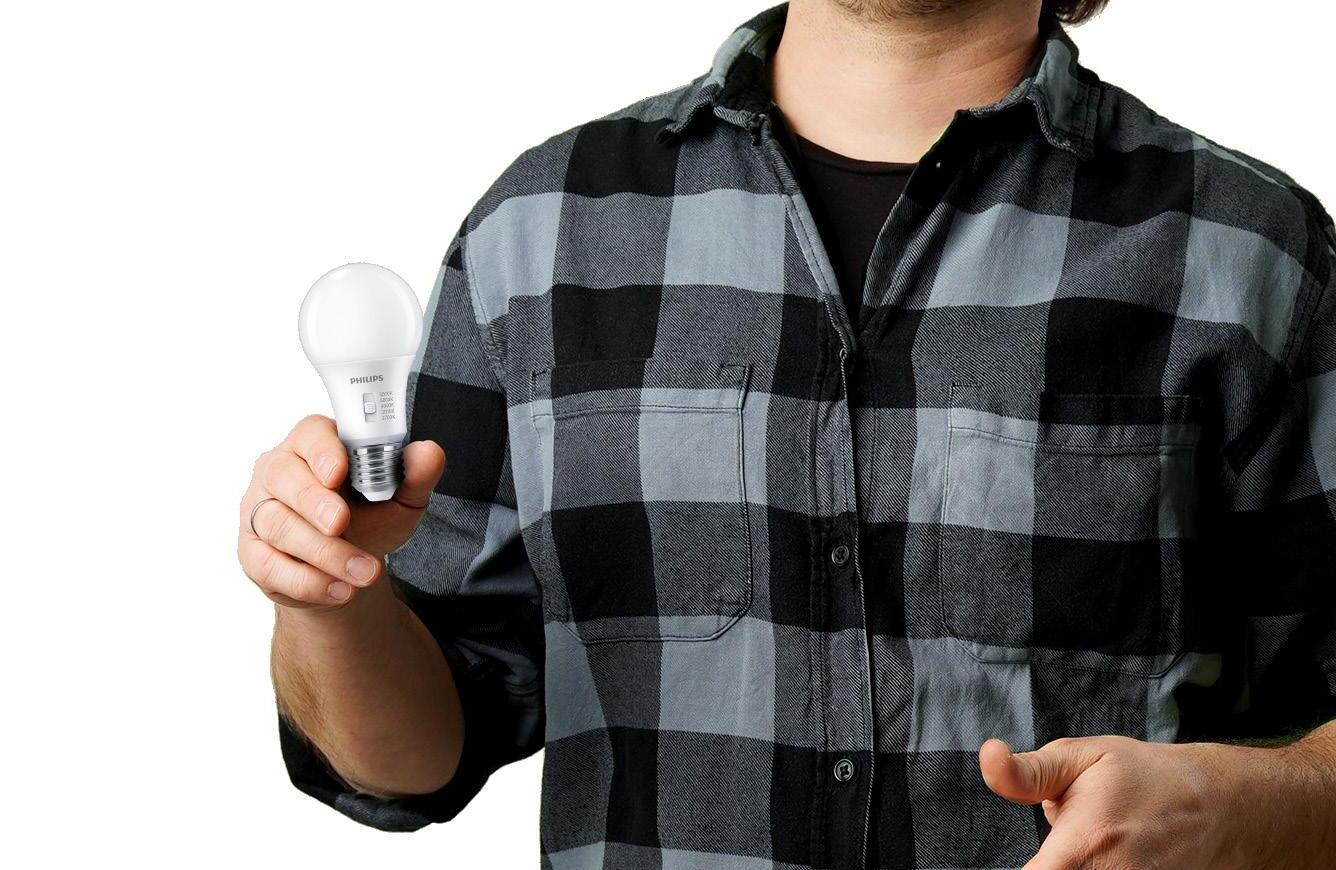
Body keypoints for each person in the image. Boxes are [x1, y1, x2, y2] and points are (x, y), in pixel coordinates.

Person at [236, 1, 1336, 866]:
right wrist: (330, 603)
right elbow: (410, 762)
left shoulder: (1249, 255)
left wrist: (1256, 808)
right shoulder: (541, 232)